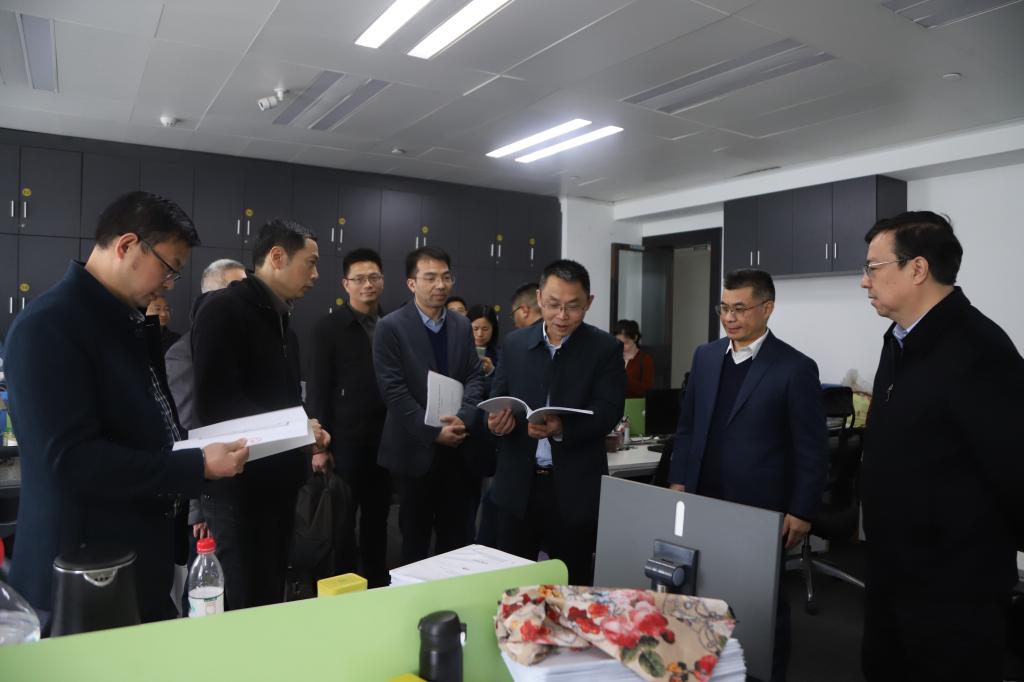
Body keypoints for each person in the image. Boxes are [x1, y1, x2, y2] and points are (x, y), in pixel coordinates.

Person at [3, 191, 249, 622]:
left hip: (137, 560)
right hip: (81, 575)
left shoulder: (124, 321)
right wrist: (195, 466)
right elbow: (72, 460)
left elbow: (146, 428)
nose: (169, 283)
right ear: (127, 245)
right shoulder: (48, 326)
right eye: (168, 267)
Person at [858, 211, 1024, 682]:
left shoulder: (979, 349)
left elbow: (1013, 469)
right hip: (892, 571)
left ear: (917, 269)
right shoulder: (899, 341)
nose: (865, 281)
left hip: (952, 589)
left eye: (873, 268)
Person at [667, 268, 826, 682]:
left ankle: (764, 674)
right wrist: (679, 480)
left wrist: (802, 510)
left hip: (759, 505)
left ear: (767, 308)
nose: (729, 317)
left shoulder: (794, 367)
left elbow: (810, 448)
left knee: (761, 602)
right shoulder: (705, 357)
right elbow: (688, 427)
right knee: (698, 592)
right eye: (724, 308)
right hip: (702, 497)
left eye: (739, 308)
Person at [191, 218, 329, 610]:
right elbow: (218, 405)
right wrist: (297, 429)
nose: (316, 275)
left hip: (279, 488)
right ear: (277, 256)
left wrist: (306, 431)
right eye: (310, 263)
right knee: (242, 602)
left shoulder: (283, 321)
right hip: (240, 492)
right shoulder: (224, 310)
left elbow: (284, 400)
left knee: (270, 597)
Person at [488, 260, 625, 585]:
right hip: (517, 488)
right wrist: (495, 423)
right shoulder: (516, 344)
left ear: (589, 302)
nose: (562, 315)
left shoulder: (604, 349)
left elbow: (608, 410)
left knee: (572, 582)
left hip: (574, 490)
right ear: (539, 298)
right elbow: (497, 397)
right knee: (512, 583)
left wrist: (563, 429)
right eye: (552, 305)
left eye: (573, 307)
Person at [373, 246, 485, 565]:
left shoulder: (461, 326)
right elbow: (393, 390)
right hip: (414, 451)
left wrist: (465, 417)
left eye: (446, 277)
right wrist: (433, 432)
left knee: (457, 539)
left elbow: (475, 376)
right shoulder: (390, 327)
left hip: (459, 449)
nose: (440, 285)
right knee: (414, 541)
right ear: (412, 283)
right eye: (431, 277)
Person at [306, 248, 391, 588]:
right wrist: (319, 447)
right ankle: (342, 591)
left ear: (382, 281)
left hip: (386, 441)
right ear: (346, 284)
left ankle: (378, 585)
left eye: (374, 277)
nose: (367, 284)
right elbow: (318, 389)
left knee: (378, 521)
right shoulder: (328, 328)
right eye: (360, 279)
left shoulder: (392, 325)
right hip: (345, 442)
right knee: (341, 523)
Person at [166, 259, 247, 431]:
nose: (248, 297)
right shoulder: (184, 352)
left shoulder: (246, 340)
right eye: (238, 289)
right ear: (213, 296)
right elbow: (186, 423)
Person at [612, 319, 654, 398]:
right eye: (618, 342)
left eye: (626, 343)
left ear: (635, 338)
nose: (621, 346)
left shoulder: (645, 360)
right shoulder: (613, 357)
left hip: (633, 403)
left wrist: (626, 380)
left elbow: (647, 390)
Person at [467, 304, 499, 377]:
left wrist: (491, 371)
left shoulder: (501, 356)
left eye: (485, 329)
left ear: (493, 329)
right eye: (475, 329)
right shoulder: (457, 352)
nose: (480, 334)